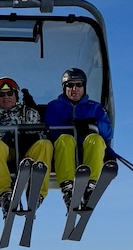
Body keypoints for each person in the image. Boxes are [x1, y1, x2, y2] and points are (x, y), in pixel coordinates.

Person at [0, 76, 53, 212]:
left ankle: (37, 193)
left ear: (16, 95)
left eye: (10, 93)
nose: (6, 97)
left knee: (45, 145)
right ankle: (4, 194)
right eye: (1, 95)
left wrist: (30, 137)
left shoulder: (29, 113)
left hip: (26, 153)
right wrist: (6, 137)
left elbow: (41, 133)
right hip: (5, 152)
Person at [43, 68, 114, 205]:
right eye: (70, 85)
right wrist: (71, 127)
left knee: (96, 139)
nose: (74, 89)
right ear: (64, 88)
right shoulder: (55, 106)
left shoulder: (95, 108)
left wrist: (93, 125)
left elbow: (107, 132)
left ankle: (91, 186)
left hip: (87, 149)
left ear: (84, 87)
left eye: (78, 85)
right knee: (65, 139)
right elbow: (51, 129)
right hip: (65, 150)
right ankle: (68, 187)